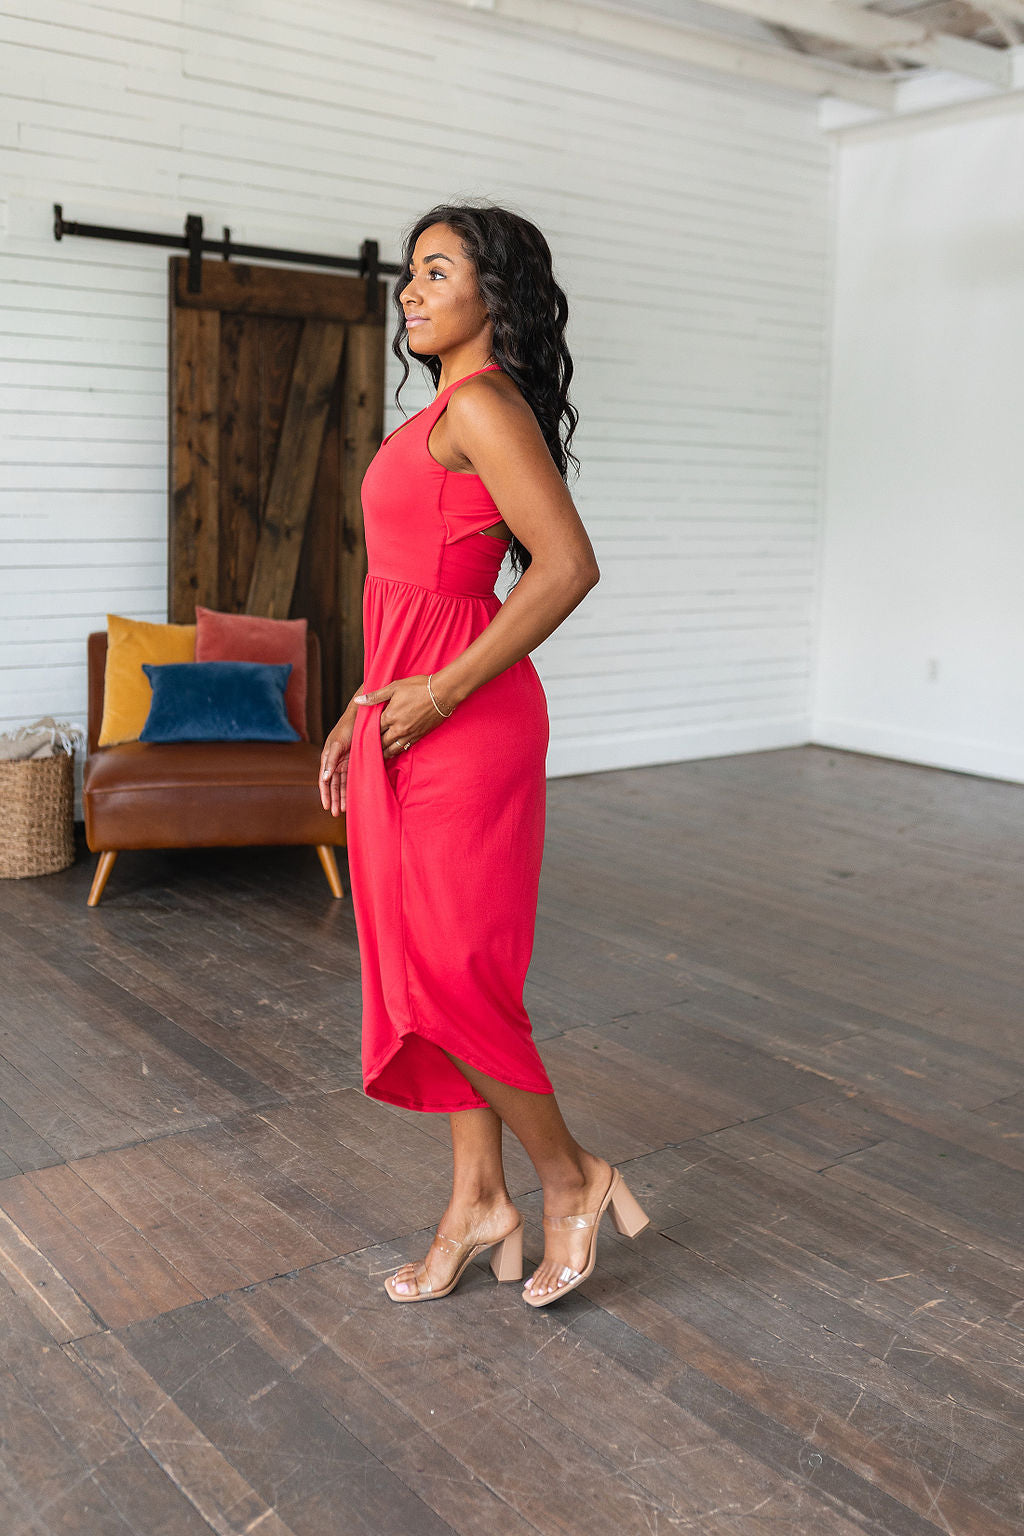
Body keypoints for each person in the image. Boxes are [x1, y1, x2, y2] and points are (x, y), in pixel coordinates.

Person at [319, 202, 648, 1307]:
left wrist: (439, 692)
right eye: (409, 273)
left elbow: (566, 566)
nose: (409, 290)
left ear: (492, 295)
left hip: (465, 720)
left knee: (454, 969)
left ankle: (572, 1176)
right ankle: (476, 1200)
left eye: (436, 270)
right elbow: (406, 589)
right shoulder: (440, 413)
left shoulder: (483, 405)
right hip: (406, 708)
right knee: (421, 966)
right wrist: (362, 704)